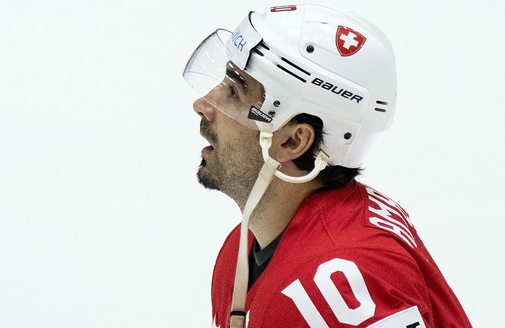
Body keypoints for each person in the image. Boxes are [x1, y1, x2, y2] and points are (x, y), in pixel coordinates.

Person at [182, 3, 471, 328]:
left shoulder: (336, 282)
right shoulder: (242, 254)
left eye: (234, 92)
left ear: (293, 142)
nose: (203, 105)